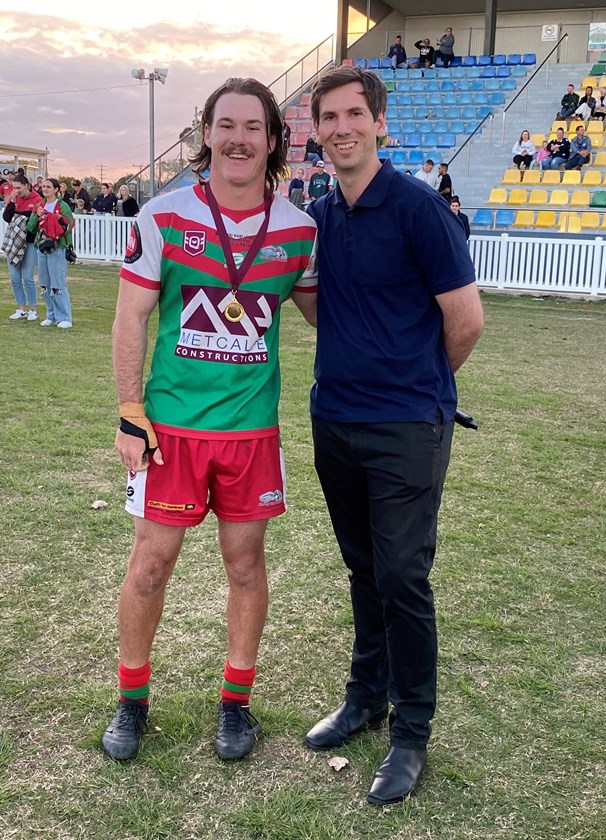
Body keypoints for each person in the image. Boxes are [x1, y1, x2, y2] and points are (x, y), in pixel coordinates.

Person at [101, 76, 317, 764]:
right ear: (206, 135)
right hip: (172, 430)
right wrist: (131, 411)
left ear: (274, 141)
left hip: (251, 433)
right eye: (226, 125)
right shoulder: (162, 216)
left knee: (246, 566)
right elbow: (131, 315)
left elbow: (326, 315)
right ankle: (132, 702)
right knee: (151, 566)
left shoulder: (299, 230)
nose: (238, 139)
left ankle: (235, 705)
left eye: (254, 127)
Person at [303, 65, 484, 806]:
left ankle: (411, 732)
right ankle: (365, 697)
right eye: (328, 117)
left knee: (403, 576)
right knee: (363, 569)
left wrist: (413, 381)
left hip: (407, 424)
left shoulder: (418, 209)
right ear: (315, 131)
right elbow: (318, 309)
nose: (342, 128)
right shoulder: (319, 213)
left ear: (380, 123)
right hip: (334, 418)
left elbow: (465, 321)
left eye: (354, 114)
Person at [26, 177, 74, 328]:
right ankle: (51, 315)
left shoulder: (63, 206)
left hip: (57, 247)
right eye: (43, 186)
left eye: (48, 186)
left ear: (56, 190)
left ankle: (64, 317)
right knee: (45, 282)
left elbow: (69, 225)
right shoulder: (40, 204)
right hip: (41, 246)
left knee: (58, 282)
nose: (45, 189)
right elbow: (31, 227)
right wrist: (36, 215)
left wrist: (54, 218)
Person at [2, 174, 43, 321]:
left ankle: (33, 309)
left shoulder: (37, 200)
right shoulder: (14, 199)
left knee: (27, 277)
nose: (16, 191)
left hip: (29, 243)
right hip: (14, 241)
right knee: (14, 278)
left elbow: (35, 224)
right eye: (14, 188)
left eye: (18, 188)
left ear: (27, 186)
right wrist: (12, 202)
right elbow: (6, 218)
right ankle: (21, 308)